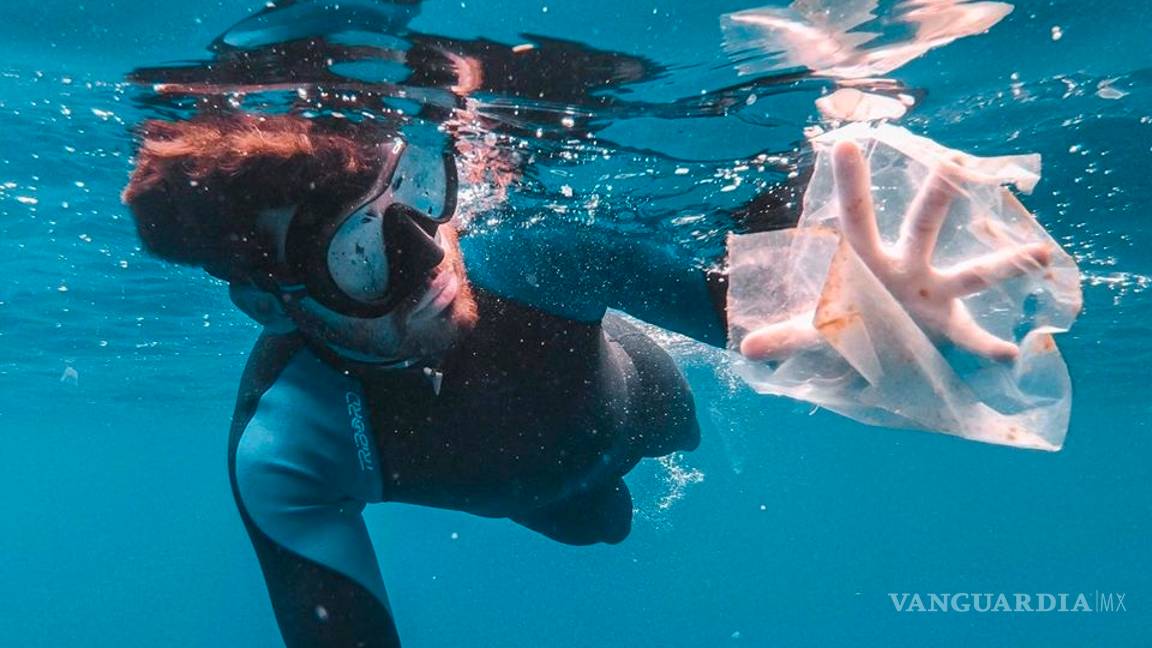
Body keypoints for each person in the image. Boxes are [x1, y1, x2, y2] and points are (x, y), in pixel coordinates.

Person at [121, 112, 1049, 647]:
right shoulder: (288, 443)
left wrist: (893, 327)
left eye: (418, 196)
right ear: (271, 304)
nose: (432, 253)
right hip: (544, 489)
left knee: (658, 442)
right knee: (598, 525)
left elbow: (795, 330)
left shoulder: (533, 260)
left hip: (647, 404)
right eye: (360, 255)